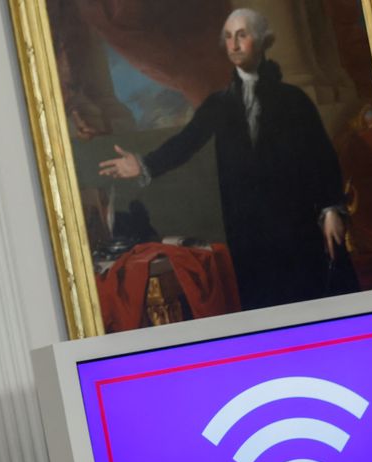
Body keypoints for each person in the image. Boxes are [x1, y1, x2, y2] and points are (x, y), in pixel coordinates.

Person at [99, 8, 357, 310]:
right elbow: (185, 143)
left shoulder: (293, 100)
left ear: (262, 42)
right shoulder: (219, 104)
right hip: (248, 229)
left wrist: (330, 210)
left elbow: (321, 158)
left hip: (296, 222)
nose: (234, 44)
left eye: (242, 35)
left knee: (311, 296)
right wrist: (143, 165)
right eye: (229, 37)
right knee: (265, 305)